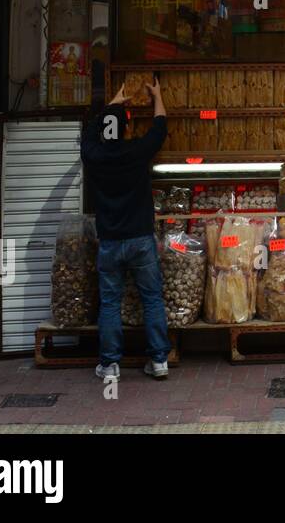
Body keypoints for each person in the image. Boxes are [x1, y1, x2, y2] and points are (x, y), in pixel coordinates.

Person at [81, 77, 171, 380]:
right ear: (126, 129)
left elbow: (88, 135)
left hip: (109, 241)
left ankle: (110, 365)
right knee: (152, 298)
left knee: (110, 302)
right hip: (140, 238)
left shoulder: (94, 155)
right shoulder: (136, 151)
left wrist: (111, 105)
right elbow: (159, 129)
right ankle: (159, 360)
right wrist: (157, 96)